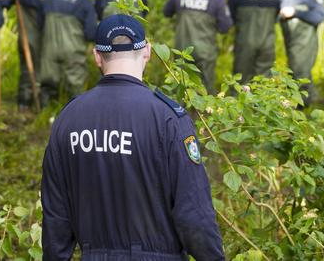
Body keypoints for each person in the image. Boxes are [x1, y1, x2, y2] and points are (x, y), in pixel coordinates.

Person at [41, 14, 224, 261]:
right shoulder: (168, 118)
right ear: (147, 51)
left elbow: (56, 219)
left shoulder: (68, 118)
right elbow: (194, 215)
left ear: (96, 56)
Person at [163, 0, 233, 93]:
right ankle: (202, 113)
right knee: (205, 93)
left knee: (180, 90)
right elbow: (225, 27)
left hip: (182, 52)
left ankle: (180, 113)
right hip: (205, 53)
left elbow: (167, 12)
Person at [14, 0, 65, 110]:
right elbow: (46, 9)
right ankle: (32, 104)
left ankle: (23, 102)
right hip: (34, 34)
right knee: (36, 70)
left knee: (26, 69)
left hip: (23, 34)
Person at [39, 0, 98, 104]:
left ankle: (45, 111)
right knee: (75, 83)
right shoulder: (84, 2)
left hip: (49, 46)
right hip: (73, 48)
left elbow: (40, 22)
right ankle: (75, 113)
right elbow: (90, 33)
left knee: (48, 81)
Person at [277, 0, 324, 106]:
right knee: (293, 69)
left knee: (302, 71)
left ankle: (304, 106)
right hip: (289, 38)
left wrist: (296, 12)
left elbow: (320, 16)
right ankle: (303, 103)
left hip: (306, 39)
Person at [228, 0, 280, 82]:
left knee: (241, 80)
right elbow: (276, 16)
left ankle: (240, 101)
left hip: (245, 43)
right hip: (267, 43)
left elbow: (232, 17)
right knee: (264, 82)